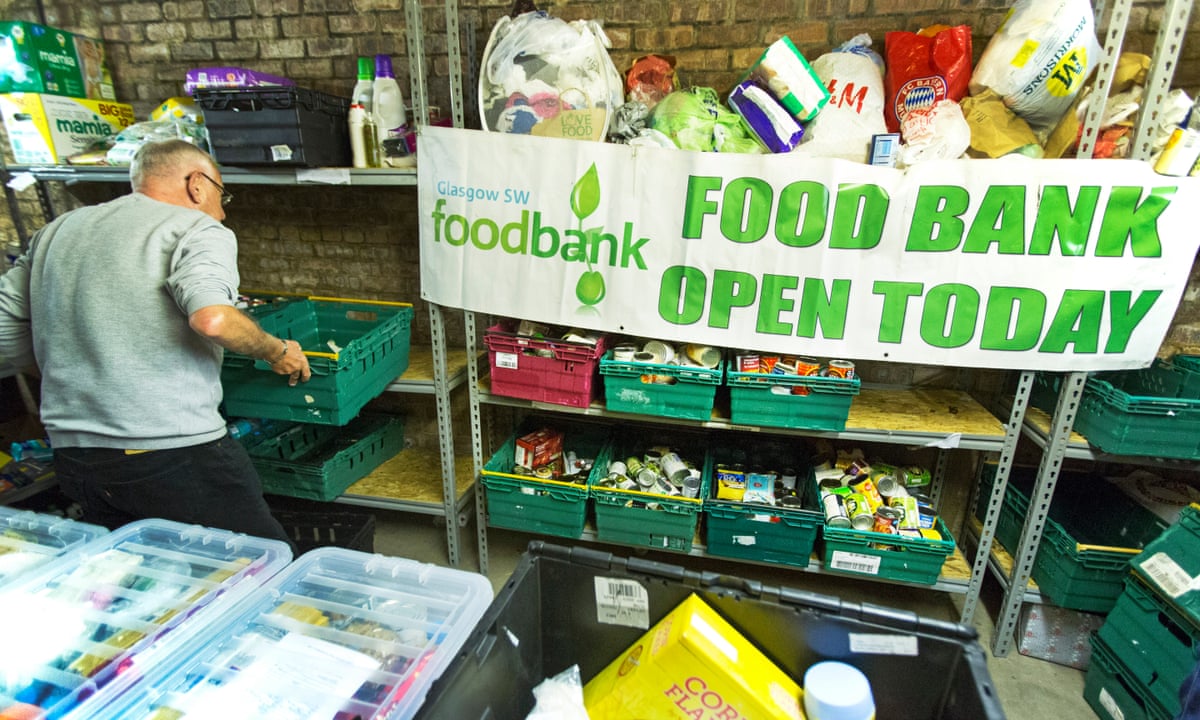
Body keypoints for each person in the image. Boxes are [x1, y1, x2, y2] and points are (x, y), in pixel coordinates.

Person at [0, 139, 310, 545]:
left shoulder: (57, 230)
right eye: (222, 194)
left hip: (76, 455)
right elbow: (213, 318)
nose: (222, 208)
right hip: (171, 452)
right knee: (258, 564)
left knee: (149, 576)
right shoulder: (196, 227)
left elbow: (5, 331)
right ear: (197, 184)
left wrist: (70, 363)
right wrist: (277, 351)